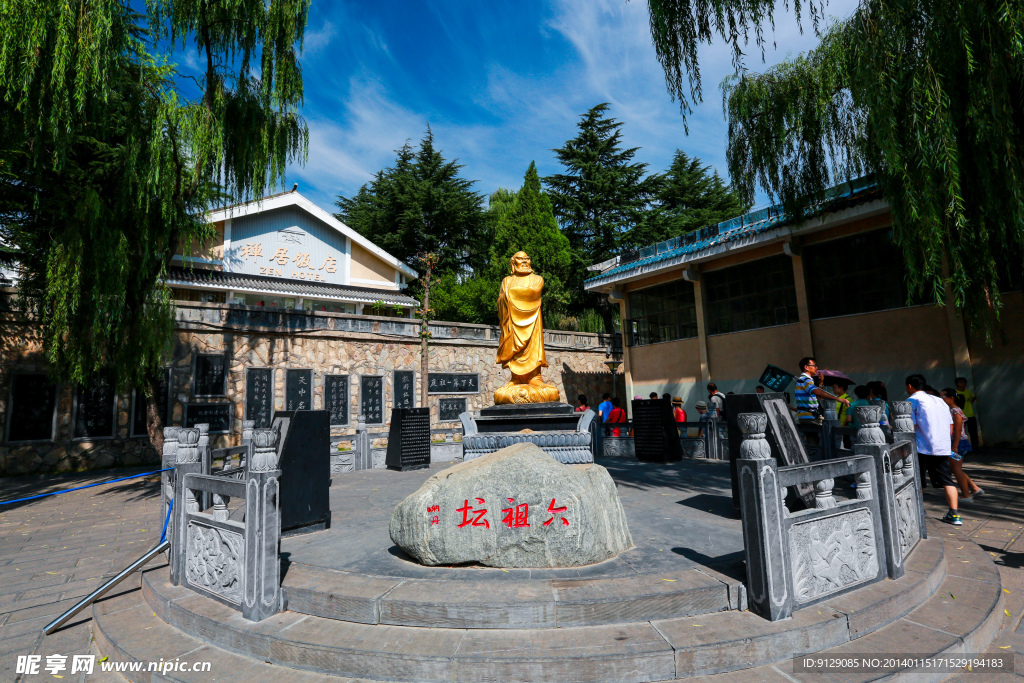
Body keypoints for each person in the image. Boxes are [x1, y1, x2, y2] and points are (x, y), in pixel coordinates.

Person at [906, 374, 960, 525]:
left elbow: (911, 425)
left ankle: (919, 510)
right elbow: (950, 425)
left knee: (920, 479)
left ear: (910, 386)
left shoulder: (912, 401)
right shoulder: (940, 401)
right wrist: (944, 442)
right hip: (942, 446)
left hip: (922, 446)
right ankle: (955, 514)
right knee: (947, 480)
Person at [941, 388, 984, 500]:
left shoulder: (956, 411)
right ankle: (974, 488)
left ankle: (966, 494)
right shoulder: (951, 410)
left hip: (958, 443)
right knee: (956, 468)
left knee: (956, 469)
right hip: (956, 443)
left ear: (951, 398)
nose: (941, 400)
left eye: (943, 397)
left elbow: (958, 430)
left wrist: (954, 446)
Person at [795, 357, 850, 423]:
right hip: (809, 417)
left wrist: (821, 382)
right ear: (806, 367)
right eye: (814, 365)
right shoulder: (805, 379)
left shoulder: (806, 380)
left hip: (811, 416)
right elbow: (817, 392)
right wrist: (837, 399)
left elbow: (817, 397)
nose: (816, 368)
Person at [956, 377, 979, 447]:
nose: (963, 384)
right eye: (961, 382)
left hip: (970, 415)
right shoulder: (955, 392)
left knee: (973, 432)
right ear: (957, 384)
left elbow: (974, 397)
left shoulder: (968, 391)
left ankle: (975, 448)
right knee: (960, 433)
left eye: (964, 382)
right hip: (960, 415)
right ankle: (962, 447)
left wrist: (970, 403)